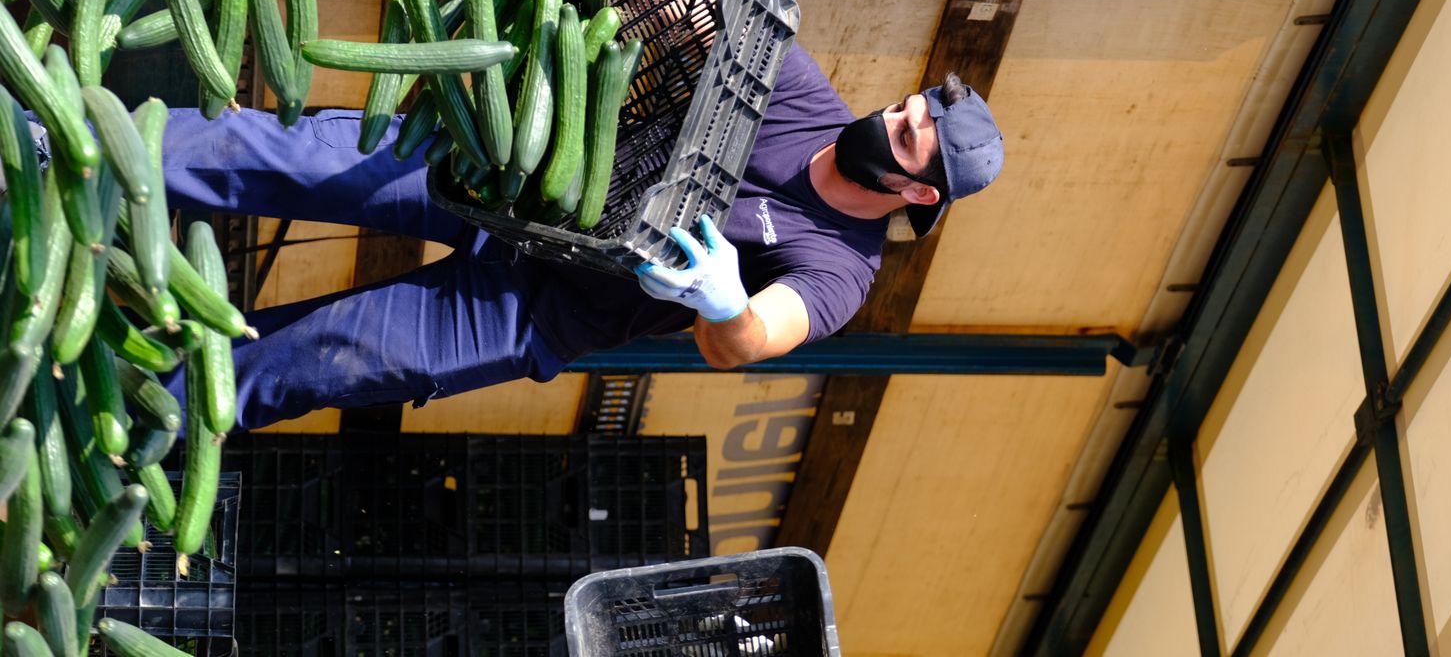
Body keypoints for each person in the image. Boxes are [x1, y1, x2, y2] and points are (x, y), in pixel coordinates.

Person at [140, 42, 1003, 427]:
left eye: (901, 138)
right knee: (288, 156)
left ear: (915, 192)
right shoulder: (800, 92)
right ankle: (76, 139)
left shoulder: (841, 268)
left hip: (534, 309)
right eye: (901, 107)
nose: (884, 121)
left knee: (306, 362)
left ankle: (115, 411)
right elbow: (694, 15)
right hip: (508, 175)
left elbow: (747, 340)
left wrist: (723, 302)